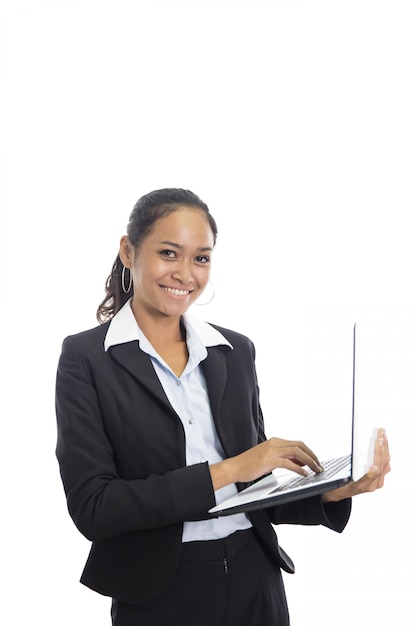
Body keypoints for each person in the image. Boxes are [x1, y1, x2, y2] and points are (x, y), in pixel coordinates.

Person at [55, 188, 390, 626]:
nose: (186, 273)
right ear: (128, 251)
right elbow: (95, 507)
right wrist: (232, 469)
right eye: (169, 253)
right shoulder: (86, 359)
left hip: (256, 579)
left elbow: (255, 494)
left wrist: (333, 490)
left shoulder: (234, 351)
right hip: (159, 594)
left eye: (201, 258)